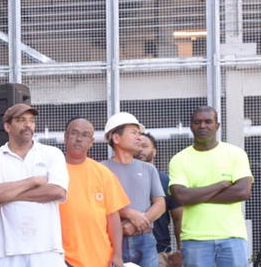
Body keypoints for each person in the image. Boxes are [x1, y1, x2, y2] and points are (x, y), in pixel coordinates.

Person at [0, 103, 69, 266]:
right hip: (4, 251)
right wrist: (34, 181)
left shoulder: (51, 154)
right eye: (21, 120)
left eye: (31, 120)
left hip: (47, 250)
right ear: (7, 126)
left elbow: (58, 191)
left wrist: (9, 195)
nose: (28, 125)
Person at [168, 106, 252, 267]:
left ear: (217, 125)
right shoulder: (179, 159)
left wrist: (195, 196)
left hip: (232, 237)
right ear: (191, 126)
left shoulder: (235, 154)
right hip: (194, 239)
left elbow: (243, 192)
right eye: (197, 122)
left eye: (208, 121)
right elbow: (181, 197)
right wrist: (221, 185)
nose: (202, 126)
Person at [59, 117, 129, 267]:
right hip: (61, 259)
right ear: (65, 137)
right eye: (74, 133)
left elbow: (113, 218)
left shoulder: (103, 173)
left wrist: (117, 254)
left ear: (91, 142)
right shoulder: (53, 172)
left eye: (84, 135)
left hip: (100, 258)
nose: (78, 139)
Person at [100, 112, 164, 267]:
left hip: (146, 240)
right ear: (116, 138)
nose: (139, 138)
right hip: (112, 242)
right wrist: (128, 213)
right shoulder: (101, 169)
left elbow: (160, 204)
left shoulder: (148, 168)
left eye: (139, 134)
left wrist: (139, 222)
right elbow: (99, 204)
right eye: (133, 133)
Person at [137, 132, 183, 267]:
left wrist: (180, 251)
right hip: (128, 250)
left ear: (154, 151)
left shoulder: (165, 181)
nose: (140, 150)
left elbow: (178, 219)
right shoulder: (122, 178)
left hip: (160, 252)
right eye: (138, 146)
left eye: (145, 146)